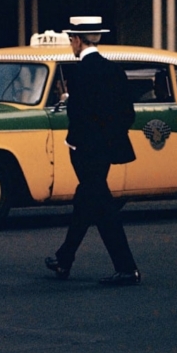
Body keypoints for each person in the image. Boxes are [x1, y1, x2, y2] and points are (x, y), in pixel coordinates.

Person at [45, 16, 141, 286]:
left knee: (101, 206)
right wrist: (108, 139)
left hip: (85, 152)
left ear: (77, 40)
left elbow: (78, 116)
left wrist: (75, 142)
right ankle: (64, 259)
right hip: (106, 151)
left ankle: (127, 269)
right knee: (87, 202)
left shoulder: (79, 74)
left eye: (71, 40)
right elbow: (127, 114)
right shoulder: (114, 70)